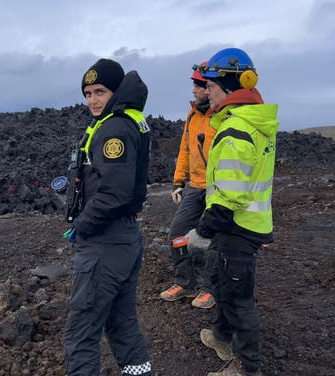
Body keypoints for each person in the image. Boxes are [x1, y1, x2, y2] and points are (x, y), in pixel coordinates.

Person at [185, 48, 279, 376]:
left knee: (239, 300)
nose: (205, 92)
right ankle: (222, 336)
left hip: (236, 227)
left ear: (227, 87)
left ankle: (246, 368)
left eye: (210, 86)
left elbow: (228, 198)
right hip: (244, 226)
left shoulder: (236, 130)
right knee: (224, 286)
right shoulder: (251, 123)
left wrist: (201, 232)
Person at [62, 58, 152, 376]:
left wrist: (82, 225)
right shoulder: (127, 121)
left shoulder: (114, 128)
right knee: (121, 324)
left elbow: (115, 192)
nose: (92, 100)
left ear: (115, 91)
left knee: (81, 335)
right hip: (124, 240)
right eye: (87, 93)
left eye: (100, 91)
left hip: (105, 243)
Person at [159, 61, 218, 310]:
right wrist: (177, 182)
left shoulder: (223, 117)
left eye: (198, 86)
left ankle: (210, 289)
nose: (193, 91)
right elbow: (185, 149)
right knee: (177, 235)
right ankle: (186, 283)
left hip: (218, 188)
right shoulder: (193, 115)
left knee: (214, 240)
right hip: (194, 186)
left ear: (210, 88)